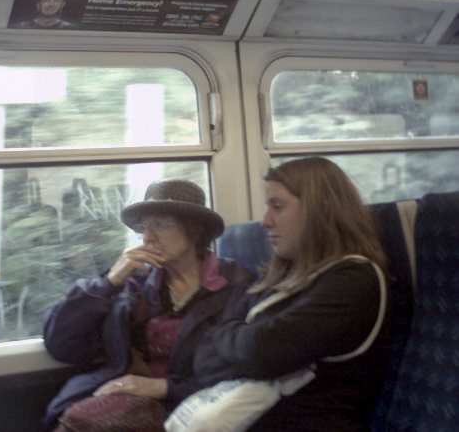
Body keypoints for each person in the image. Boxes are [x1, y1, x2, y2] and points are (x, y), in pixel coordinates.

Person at [172, 157, 390, 431]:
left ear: (320, 210)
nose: (265, 221)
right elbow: (204, 358)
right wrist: (246, 348)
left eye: (277, 206)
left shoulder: (353, 279)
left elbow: (260, 351)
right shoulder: (277, 278)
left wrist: (237, 343)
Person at [41, 179, 256, 430]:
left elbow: (246, 370)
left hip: (200, 406)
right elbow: (61, 346)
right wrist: (108, 283)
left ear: (195, 230)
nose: (147, 237)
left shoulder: (236, 285)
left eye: (159, 225)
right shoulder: (134, 281)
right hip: (127, 398)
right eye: (144, 227)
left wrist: (164, 387)